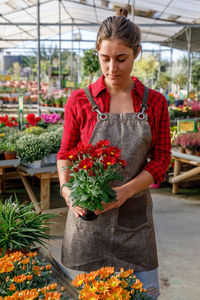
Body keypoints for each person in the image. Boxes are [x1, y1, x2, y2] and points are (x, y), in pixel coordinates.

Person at [57, 9, 171, 299]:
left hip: (134, 225)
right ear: (97, 53)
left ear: (137, 54)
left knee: (142, 294)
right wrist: (67, 191)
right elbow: (65, 153)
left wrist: (125, 191)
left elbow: (161, 160)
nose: (112, 68)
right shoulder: (80, 101)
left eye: (121, 59)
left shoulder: (155, 103)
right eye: (104, 58)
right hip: (87, 225)